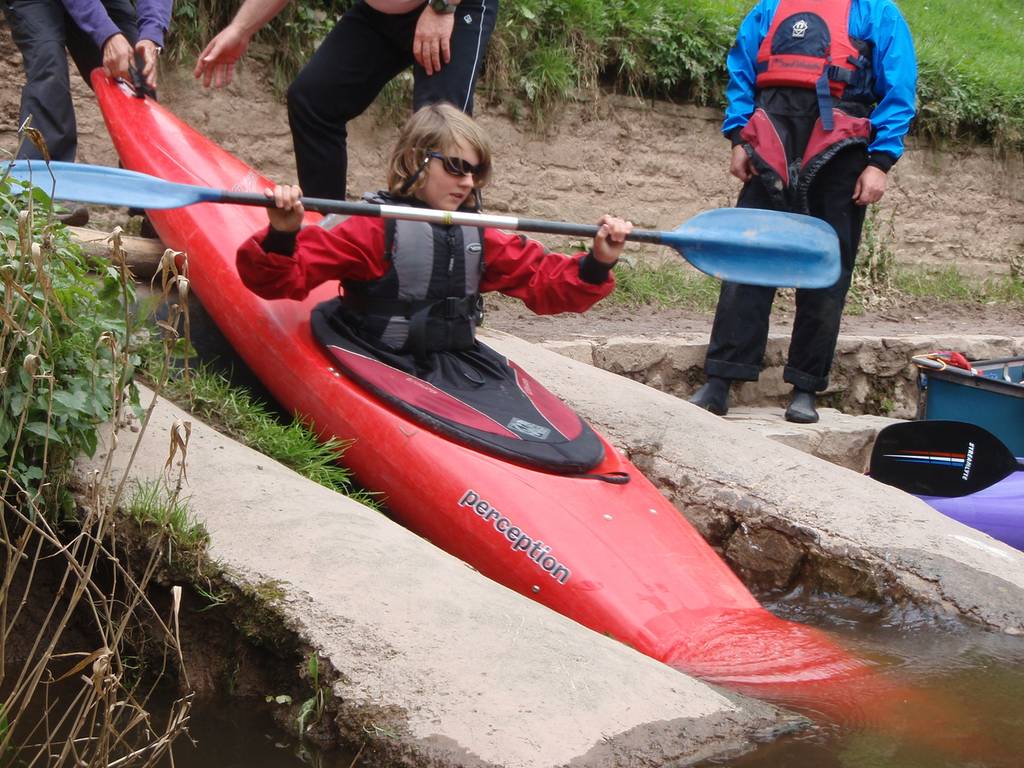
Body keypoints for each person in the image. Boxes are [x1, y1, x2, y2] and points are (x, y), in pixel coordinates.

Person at [236, 103, 630, 377]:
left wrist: (598, 261)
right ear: (414, 161)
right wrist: (283, 234)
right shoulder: (368, 226)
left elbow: (545, 282)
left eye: (475, 172)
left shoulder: (479, 235)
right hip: (374, 356)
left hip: (451, 361)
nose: (467, 182)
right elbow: (277, 281)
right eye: (457, 167)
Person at [689, 0, 917, 423]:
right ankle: (722, 380)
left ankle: (805, 387)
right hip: (772, 137)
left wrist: (879, 161)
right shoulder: (770, 9)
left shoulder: (876, 12)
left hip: (841, 146)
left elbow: (899, 88)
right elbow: (742, 72)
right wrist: (739, 136)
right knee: (748, 257)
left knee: (827, 266)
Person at [195, 0, 498, 201]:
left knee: (444, 135)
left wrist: (443, 7)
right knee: (314, 99)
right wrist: (240, 29)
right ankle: (328, 236)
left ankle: (455, 282)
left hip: (452, 8)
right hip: (381, 13)